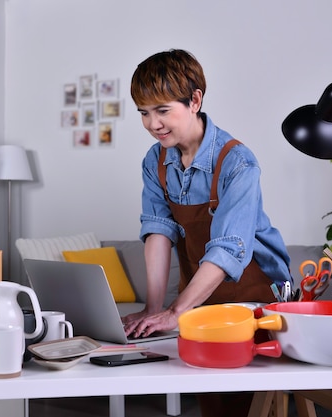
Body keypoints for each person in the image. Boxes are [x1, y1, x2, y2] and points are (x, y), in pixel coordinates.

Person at [122, 49, 293, 417]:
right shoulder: (156, 161)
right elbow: (157, 232)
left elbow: (228, 250)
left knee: (243, 402)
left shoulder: (237, 162)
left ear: (195, 100)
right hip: (202, 296)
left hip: (256, 295)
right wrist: (155, 309)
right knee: (209, 396)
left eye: (162, 110)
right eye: (144, 113)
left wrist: (177, 310)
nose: (153, 124)